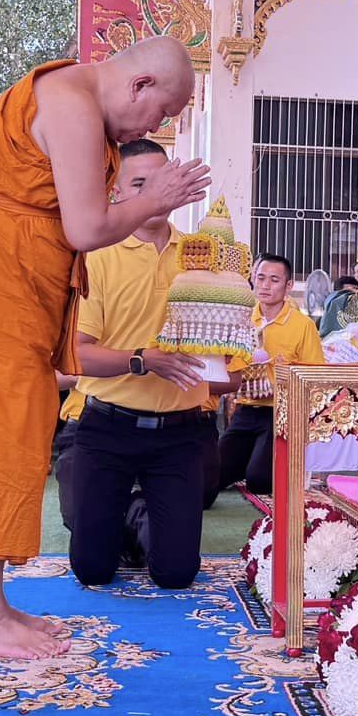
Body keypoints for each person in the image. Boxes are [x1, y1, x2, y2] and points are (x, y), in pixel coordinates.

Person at [0, 37, 207, 660]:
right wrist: (155, 198)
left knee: (11, 425)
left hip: (6, 278)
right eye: (162, 112)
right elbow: (86, 228)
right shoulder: (70, 100)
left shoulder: (82, 106)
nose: (156, 127)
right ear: (139, 84)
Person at [64, 141, 230, 588]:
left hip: (182, 431)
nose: (155, 194)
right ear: (115, 192)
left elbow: (228, 337)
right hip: (107, 427)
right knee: (92, 572)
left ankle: (139, 514)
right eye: (141, 184)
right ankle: (119, 514)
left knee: (176, 574)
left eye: (163, 182)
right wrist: (143, 360)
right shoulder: (95, 256)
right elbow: (78, 354)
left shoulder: (205, 257)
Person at [214, 251, 325, 503]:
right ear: (253, 278)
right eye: (261, 277)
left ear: (289, 286)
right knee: (211, 478)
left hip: (280, 414)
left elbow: (315, 376)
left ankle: (258, 461)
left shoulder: (302, 325)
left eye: (274, 280)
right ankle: (247, 458)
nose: (265, 285)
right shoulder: (241, 319)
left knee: (260, 481)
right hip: (245, 410)